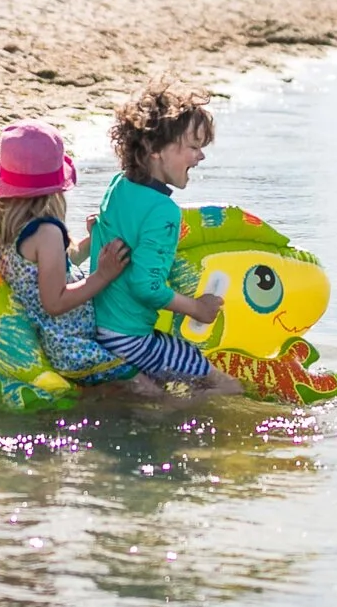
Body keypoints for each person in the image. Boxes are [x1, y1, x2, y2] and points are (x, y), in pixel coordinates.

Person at [86, 84, 245, 395]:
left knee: (158, 387)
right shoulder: (164, 211)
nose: (201, 156)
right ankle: (174, 422)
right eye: (193, 147)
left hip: (97, 323)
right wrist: (196, 309)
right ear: (154, 148)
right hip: (128, 337)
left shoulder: (119, 184)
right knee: (228, 388)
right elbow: (146, 286)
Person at [0, 122, 164, 398]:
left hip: (41, 340)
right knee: (151, 392)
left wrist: (91, 242)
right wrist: (103, 275)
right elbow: (55, 302)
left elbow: (55, 267)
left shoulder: (6, 227)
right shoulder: (47, 231)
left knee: (129, 389)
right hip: (69, 346)